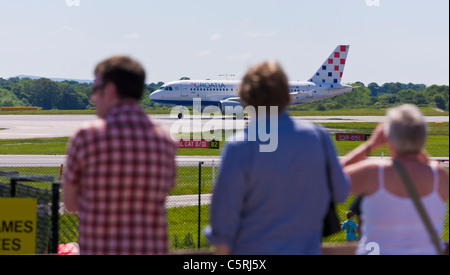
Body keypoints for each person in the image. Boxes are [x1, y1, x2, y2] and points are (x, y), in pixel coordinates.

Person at [205, 60, 349, 255]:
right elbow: (340, 193)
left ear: (245, 98)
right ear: (285, 97)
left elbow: (224, 214)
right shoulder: (319, 137)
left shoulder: (239, 146)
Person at [63, 56, 177, 255]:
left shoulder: (87, 136)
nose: (93, 98)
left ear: (110, 90)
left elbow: (70, 204)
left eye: (95, 89)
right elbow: (167, 190)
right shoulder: (164, 139)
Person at [342, 104, 449, 255]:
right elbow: (433, 165)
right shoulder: (439, 177)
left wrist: (370, 144)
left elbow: (331, 177)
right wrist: (415, 145)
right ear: (423, 138)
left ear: (388, 138)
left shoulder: (373, 172)